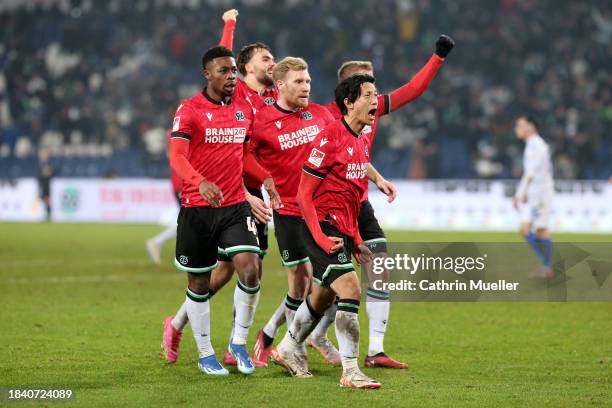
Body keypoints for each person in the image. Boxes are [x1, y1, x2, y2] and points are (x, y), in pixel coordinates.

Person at [309, 34, 455, 369]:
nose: (375, 90)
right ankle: (287, 337)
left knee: (378, 266)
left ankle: (375, 350)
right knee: (325, 286)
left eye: (374, 83)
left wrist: (438, 58)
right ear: (348, 89)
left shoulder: (372, 110)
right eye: (367, 82)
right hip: (329, 207)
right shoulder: (326, 117)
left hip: (358, 200)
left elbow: (413, 89)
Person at [162, 9, 281, 367]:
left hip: (239, 199)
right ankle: (202, 347)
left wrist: (266, 180)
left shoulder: (257, 103)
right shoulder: (202, 105)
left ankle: (236, 343)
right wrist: (229, 24)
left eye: (274, 59)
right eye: (266, 59)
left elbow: (243, 154)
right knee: (210, 278)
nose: (271, 64)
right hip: (208, 201)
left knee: (247, 267)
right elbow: (177, 155)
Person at [272, 74, 380, 389]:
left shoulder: (361, 140)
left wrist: (357, 239)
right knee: (351, 289)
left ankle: (288, 348)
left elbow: (356, 197)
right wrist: (319, 237)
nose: (375, 102)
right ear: (348, 102)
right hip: (322, 226)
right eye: (368, 95)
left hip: (343, 229)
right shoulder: (330, 137)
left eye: (375, 95)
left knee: (322, 297)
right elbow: (303, 194)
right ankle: (351, 371)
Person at [513, 115, 555, 278]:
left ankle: (548, 267)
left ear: (531, 127)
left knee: (541, 230)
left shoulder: (536, 146)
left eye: (520, 125)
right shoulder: (532, 145)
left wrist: (519, 194)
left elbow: (530, 173)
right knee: (525, 230)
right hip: (535, 193)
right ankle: (547, 266)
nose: (517, 129)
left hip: (542, 194)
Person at [146, 138, 182, 265]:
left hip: (184, 183)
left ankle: (156, 242)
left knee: (191, 222)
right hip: (184, 183)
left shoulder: (175, 132)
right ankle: (156, 242)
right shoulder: (180, 131)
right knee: (192, 222)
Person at [37, 148, 55, 221]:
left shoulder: (48, 163)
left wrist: (47, 173)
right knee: (43, 198)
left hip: (46, 183)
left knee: (46, 199)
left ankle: (48, 215)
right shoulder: (41, 163)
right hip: (42, 183)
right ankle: (47, 214)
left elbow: (51, 172)